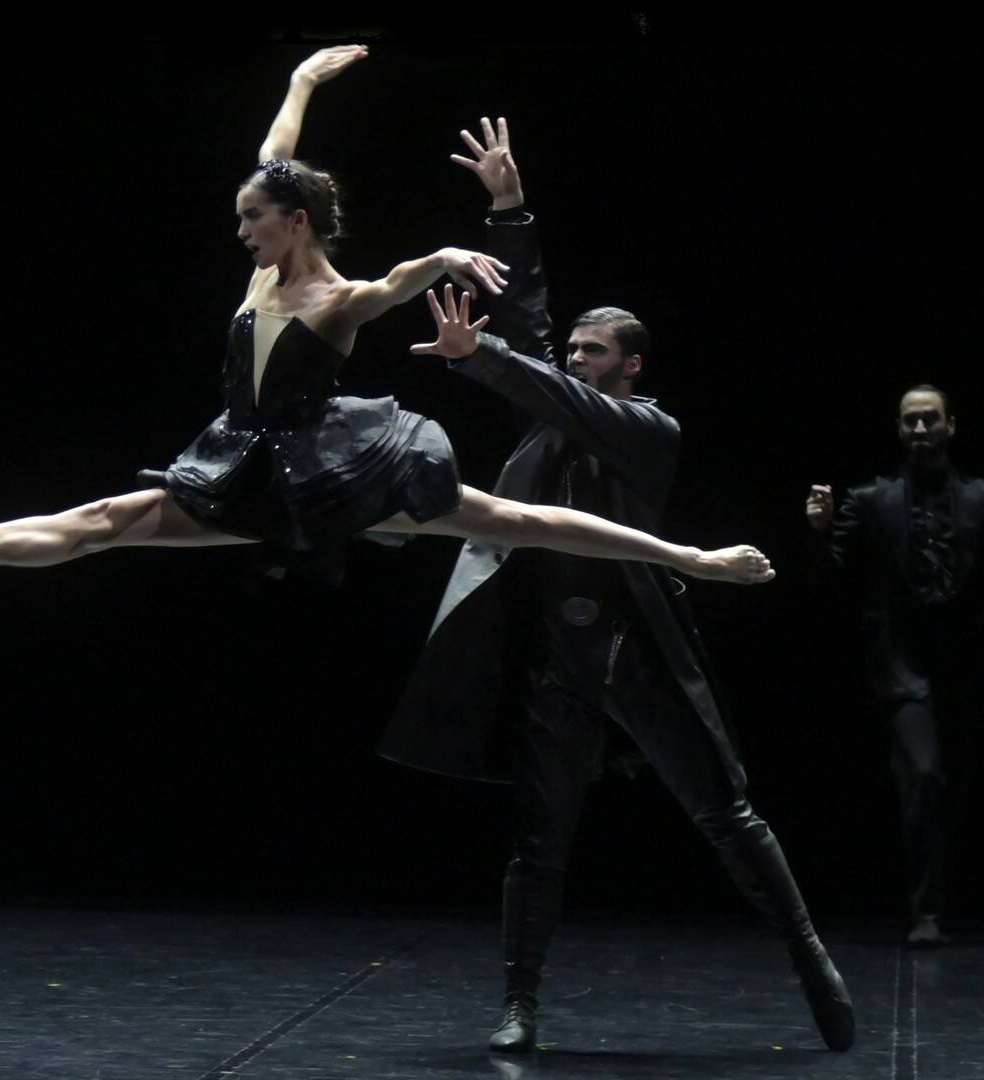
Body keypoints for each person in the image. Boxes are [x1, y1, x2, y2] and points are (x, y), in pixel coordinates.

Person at [0, 49, 775, 589]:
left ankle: (688, 557)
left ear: (296, 225)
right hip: (241, 462)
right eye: (243, 214)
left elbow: (404, 277)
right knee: (99, 518)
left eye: (255, 217)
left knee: (513, 519)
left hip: (334, 472)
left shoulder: (337, 299)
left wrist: (456, 253)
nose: (240, 226)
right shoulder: (262, 264)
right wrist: (301, 81)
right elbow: (273, 153)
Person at [382, 118, 855, 1054]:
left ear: (630, 367)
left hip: (634, 645)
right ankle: (520, 1000)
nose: (575, 359)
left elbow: (540, 378)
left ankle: (808, 955)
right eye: (576, 349)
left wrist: (481, 358)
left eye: (594, 352)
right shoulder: (550, 422)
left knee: (726, 813)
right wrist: (509, 210)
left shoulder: (646, 428)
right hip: (556, 652)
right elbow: (530, 333)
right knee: (538, 836)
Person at [806, 384, 984, 946]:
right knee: (924, 776)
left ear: (950, 425)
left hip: (971, 665)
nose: (919, 430)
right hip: (903, 668)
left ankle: (974, 902)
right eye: (909, 421)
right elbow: (832, 581)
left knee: (959, 784)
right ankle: (925, 911)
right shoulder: (871, 500)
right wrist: (819, 532)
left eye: (929, 420)